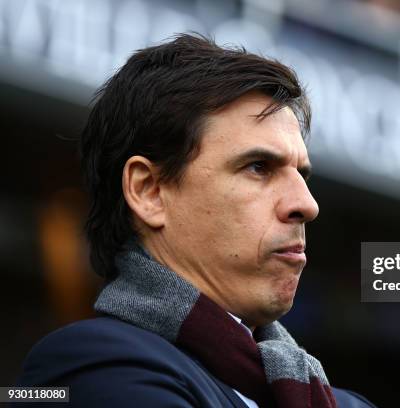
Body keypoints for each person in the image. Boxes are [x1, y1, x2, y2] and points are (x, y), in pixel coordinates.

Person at [16, 34, 375, 407]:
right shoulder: (90, 367)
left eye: (301, 175)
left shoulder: (342, 402)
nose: (307, 204)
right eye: (258, 167)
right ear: (148, 191)